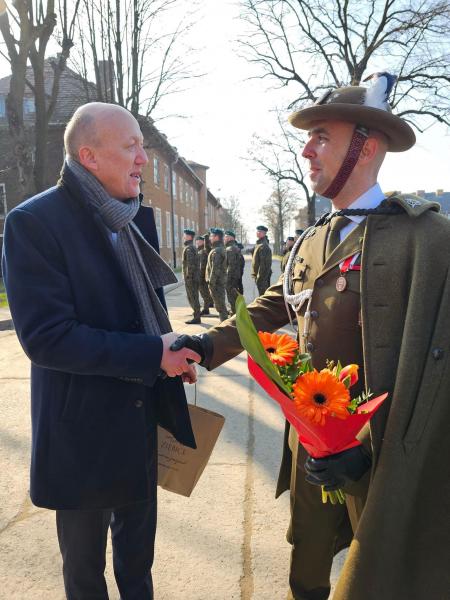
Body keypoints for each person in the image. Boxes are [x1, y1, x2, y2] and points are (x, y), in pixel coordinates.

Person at [169, 73, 450, 600]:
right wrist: (207, 346)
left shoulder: (426, 240)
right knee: (309, 569)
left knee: (380, 574)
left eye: (322, 136)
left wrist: (366, 448)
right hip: (312, 442)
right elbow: (275, 303)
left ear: (365, 147)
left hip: (379, 456)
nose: (306, 150)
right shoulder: (315, 238)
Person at [2, 102, 201, 600]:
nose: (144, 160)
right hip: (81, 435)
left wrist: (170, 354)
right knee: (85, 577)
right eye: (132, 146)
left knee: (138, 571)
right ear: (88, 155)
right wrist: (149, 354)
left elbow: (142, 312)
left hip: (139, 421)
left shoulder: (131, 218)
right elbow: (47, 338)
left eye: (143, 147)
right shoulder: (34, 222)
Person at [205, 227, 228, 322]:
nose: (210, 237)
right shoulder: (217, 249)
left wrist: (211, 283)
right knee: (220, 305)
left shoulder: (217, 251)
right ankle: (224, 324)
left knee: (220, 306)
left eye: (211, 236)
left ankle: (225, 326)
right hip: (218, 282)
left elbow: (215, 269)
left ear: (216, 237)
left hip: (216, 283)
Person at [182, 228, 201, 324]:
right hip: (194, 277)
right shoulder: (191, 247)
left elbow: (190, 265)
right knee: (193, 297)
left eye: (184, 235)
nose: (183, 237)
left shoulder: (189, 248)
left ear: (189, 237)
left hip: (191, 278)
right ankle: (196, 315)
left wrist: (188, 277)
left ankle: (197, 317)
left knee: (193, 297)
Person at [224, 230, 242, 315]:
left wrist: (227, 279)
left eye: (226, 237)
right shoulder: (233, 247)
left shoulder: (230, 249)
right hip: (234, 277)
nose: (224, 238)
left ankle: (235, 314)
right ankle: (235, 312)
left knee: (231, 296)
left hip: (231, 278)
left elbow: (231, 266)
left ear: (230, 238)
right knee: (233, 295)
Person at [195, 234, 214, 315]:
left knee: (204, 293)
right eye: (197, 241)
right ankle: (208, 305)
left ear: (203, 242)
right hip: (200, 275)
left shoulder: (203, 251)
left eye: (199, 241)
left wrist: (201, 276)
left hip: (202, 276)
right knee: (204, 293)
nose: (197, 242)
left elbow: (203, 265)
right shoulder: (198, 251)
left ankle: (206, 308)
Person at [251, 224, 272, 295]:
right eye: (257, 231)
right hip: (259, 276)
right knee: (262, 294)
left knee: (263, 295)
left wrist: (260, 278)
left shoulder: (263, 246)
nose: (258, 233)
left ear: (264, 233)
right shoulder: (259, 244)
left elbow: (264, 264)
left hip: (262, 276)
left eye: (260, 231)